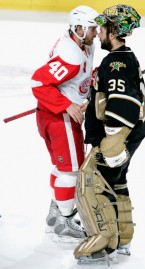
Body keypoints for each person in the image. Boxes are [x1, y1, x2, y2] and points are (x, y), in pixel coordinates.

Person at [74, 4, 145, 264]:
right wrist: (95, 98)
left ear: (114, 31)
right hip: (131, 133)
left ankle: (104, 244)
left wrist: (112, 145)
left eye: (103, 28)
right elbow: (114, 96)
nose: (99, 32)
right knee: (116, 182)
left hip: (117, 137)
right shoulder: (125, 57)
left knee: (92, 182)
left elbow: (124, 104)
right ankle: (123, 238)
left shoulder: (116, 61)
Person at [31, 5, 99, 242]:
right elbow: (38, 82)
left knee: (63, 169)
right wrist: (67, 105)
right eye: (92, 28)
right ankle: (64, 222)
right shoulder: (71, 53)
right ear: (78, 28)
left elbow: (80, 76)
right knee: (71, 170)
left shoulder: (84, 45)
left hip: (55, 115)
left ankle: (56, 215)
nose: (96, 32)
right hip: (59, 117)